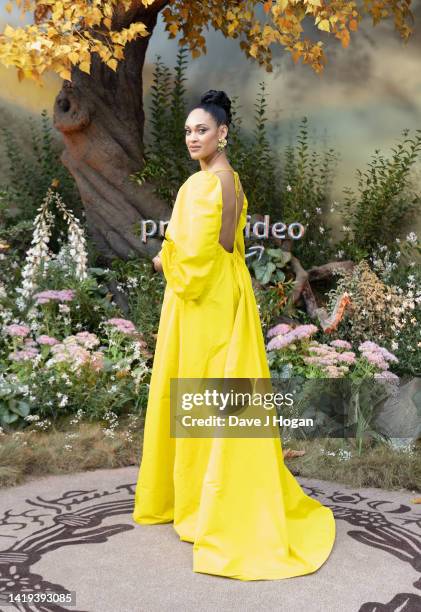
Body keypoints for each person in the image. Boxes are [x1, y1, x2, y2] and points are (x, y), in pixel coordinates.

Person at [132, 89, 336, 580]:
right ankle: (203, 494)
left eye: (201, 129)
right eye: (187, 131)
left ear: (223, 133)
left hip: (205, 301)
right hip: (219, 297)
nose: (192, 137)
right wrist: (178, 255)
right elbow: (223, 247)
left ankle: (207, 500)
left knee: (201, 385)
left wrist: (163, 258)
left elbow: (200, 254)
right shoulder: (226, 181)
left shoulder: (207, 185)